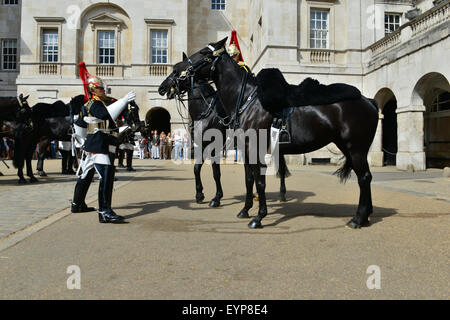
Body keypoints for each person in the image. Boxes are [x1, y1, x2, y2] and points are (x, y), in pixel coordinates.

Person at [71, 62, 136, 223]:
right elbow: (106, 115)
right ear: (93, 90)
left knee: (85, 176)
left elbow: (106, 125)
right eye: (100, 88)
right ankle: (105, 211)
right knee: (106, 176)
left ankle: (77, 204)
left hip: (95, 144)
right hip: (98, 145)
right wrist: (123, 101)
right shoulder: (94, 104)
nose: (103, 90)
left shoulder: (95, 103)